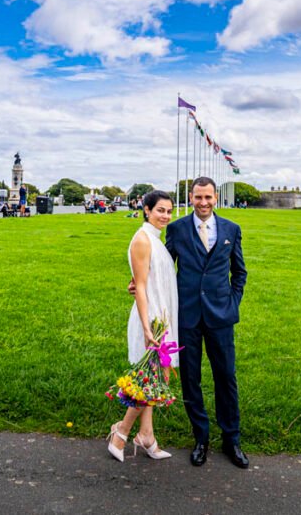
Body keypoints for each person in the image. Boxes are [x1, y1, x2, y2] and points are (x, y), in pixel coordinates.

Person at [132, 176, 249, 469]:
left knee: (226, 377)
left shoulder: (231, 230)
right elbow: (159, 266)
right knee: (190, 379)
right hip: (186, 315)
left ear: (215, 199)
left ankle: (231, 439)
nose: (203, 202)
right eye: (198, 197)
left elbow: (240, 273)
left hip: (221, 316)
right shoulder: (177, 229)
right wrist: (137, 284)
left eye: (208, 197)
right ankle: (201, 438)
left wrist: (232, 304)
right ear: (192, 198)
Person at [107, 190, 178, 463]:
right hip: (150, 320)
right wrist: (148, 328)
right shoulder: (142, 240)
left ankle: (146, 435)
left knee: (158, 379)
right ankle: (121, 432)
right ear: (146, 210)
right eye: (160, 210)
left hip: (162, 317)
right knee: (150, 379)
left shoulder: (155, 240)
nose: (166, 216)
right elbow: (141, 287)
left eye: (169, 211)